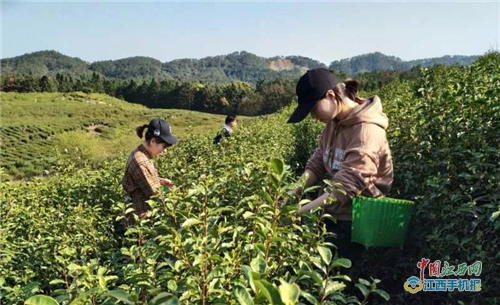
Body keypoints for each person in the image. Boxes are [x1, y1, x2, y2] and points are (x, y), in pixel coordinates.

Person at [287, 68, 393, 260]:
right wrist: (291, 193)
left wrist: (297, 213)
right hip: (332, 213)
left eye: (313, 109)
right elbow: (318, 162)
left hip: (355, 222)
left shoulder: (367, 130)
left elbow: (345, 187)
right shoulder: (334, 123)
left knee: (336, 281)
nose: (312, 116)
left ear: (330, 95)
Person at [122, 118, 178, 219]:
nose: (165, 151)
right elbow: (156, 195)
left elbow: (142, 181)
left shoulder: (142, 153)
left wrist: (159, 181)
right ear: (153, 141)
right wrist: (175, 194)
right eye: (164, 147)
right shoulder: (141, 161)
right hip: (142, 218)